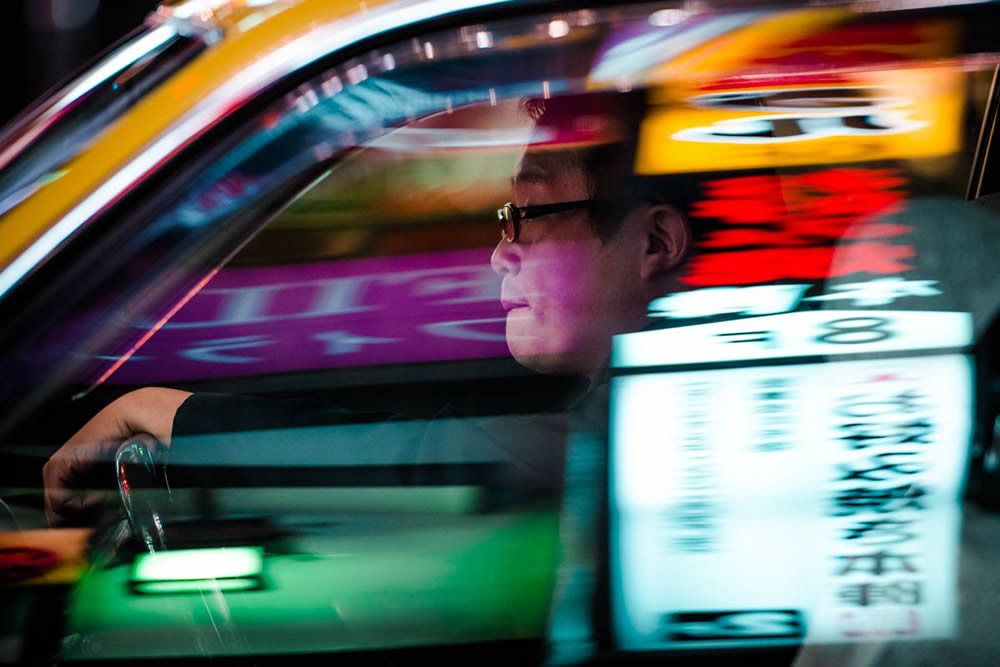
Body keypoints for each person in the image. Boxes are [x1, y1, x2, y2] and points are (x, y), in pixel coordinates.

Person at [42, 90, 695, 526]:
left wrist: (152, 412)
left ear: (656, 242)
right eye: (507, 217)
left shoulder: (624, 437)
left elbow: (406, 458)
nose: (502, 253)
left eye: (528, 215)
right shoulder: (620, 406)